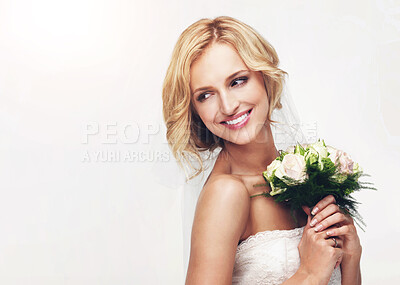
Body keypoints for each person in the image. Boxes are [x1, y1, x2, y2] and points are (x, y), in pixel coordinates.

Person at [162, 16, 362, 285]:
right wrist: (309, 273)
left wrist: (351, 260)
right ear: (195, 111)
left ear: (264, 77)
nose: (228, 105)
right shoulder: (226, 193)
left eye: (237, 81)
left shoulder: (306, 174)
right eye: (205, 95)